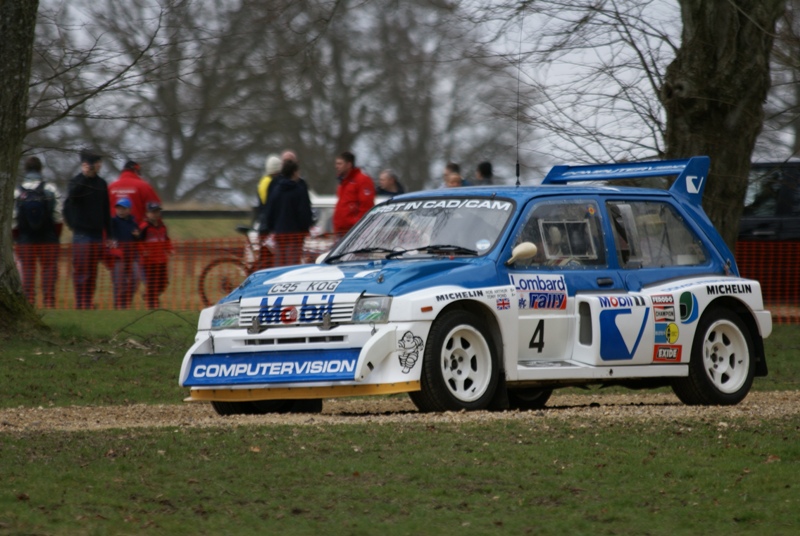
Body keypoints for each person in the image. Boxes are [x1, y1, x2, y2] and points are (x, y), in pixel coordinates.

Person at [64, 149, 112, 310]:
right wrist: (85, 177)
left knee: (92, 271)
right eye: (96, 162)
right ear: (87, 164)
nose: (99, 165)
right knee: (81, 270)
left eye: (99, 162)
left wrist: (110, 234)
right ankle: (80, 302)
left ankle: (88, 301)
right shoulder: (76, 181)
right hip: (81, 234)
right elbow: (72, 197)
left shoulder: (102, 184)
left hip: (97, 234)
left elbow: (106, 210)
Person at [13, 156, 63, 307]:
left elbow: (13, 219)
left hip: (25, 238)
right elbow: (58, 215)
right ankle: (49, 301)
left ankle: (29, 301)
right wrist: (55, 235)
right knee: (49, 268)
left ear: (25, 170)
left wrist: (17, 237)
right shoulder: (50, 189)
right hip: (48, 236)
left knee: (28, 269)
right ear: (41, 169)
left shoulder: (17, 191)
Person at [263, 159, 313, 266]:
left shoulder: (276, 190)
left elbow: (269, 212)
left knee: (279, 265)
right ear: (294, 172)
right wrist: (305, 228)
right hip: (295, 236)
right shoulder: (299, 190)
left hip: (279, 235)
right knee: (292, 266)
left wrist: (272, 228)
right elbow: (304, 213)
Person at [138, 202, 172, 309]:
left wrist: (170, 249)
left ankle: (148, 295)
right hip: (149, 262)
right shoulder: (144, 227)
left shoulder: (162, 226)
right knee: (152, 284)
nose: (155, 214)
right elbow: (138, 241)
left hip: (161, 260)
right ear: (147, 213)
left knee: (163, 283)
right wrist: (143, 250)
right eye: (152, 212)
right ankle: (152, 305)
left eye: (157, 211)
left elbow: (166, 240)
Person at [333, 151, 375, 235]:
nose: (336, 166)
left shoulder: (362, 180)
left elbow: (366, 206)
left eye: (340, 164)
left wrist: (357, 226)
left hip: (354, 232)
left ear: (349, 165)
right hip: (341, 232)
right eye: (336, 164)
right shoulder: (343, 182)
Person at [110, 198, 141, 309]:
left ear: (129, 210)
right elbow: (107, 236)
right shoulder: (112, 222)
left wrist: (137, 236)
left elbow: (138, 239)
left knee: (135, 279)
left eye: (123, 208)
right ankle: (119, 305)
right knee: (119, 283)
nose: (120, 211)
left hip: (132, 256)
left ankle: (126, 302)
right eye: (118, 208)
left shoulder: (133, 223)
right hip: (118, 257)